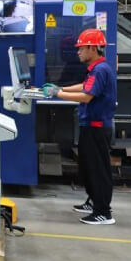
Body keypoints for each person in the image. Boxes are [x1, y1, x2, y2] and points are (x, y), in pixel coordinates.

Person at [42, 28, 117, 225]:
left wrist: (58, 94)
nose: (78, 52)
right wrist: (61, 88)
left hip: (97, 127)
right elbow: (85, 86)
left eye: (81, 48)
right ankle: (94, 202)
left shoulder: (100, 70)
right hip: (90, 126)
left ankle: (103, 212)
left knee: (98, 170)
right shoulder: (96, 68)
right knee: (89, 168)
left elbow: (86, 96)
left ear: (92, 48)